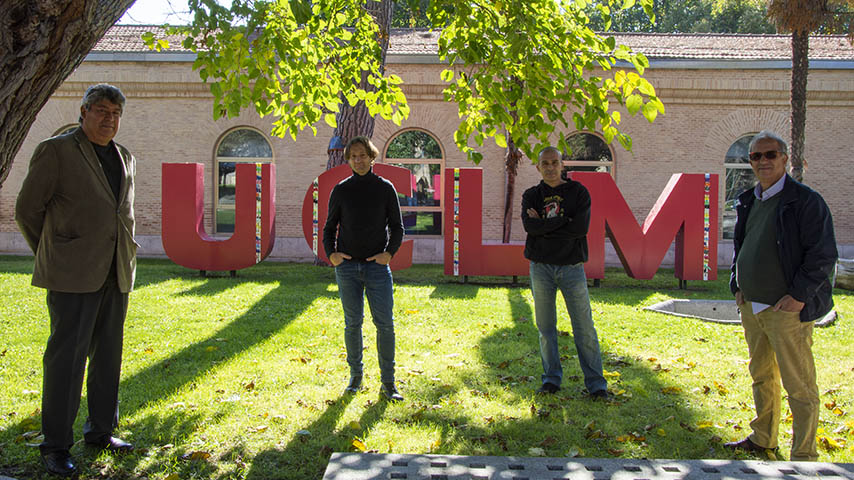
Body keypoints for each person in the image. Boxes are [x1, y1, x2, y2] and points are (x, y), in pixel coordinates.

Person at [15, 84, 137, 477]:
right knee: (66, 361)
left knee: (107, 358)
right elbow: (27, 210)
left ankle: (101, 431)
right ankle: (55, 445)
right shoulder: (56, 151)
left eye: (116, 113)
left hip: (115, 272)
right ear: (83, 111)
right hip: (72, 275)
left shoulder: (125, 157)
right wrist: (55, 252)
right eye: (101, 110)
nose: (109, 119)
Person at [725, 130, 837, 461]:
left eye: (770, 154)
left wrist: (798, 297)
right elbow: (742, 246)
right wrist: (737, 284)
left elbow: (822, 255)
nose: (762, 161)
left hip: (785, 309)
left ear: (785, 158)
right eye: (755, 156)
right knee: (761, 376)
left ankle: (804, 455)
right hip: (752, 306)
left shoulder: (805, 201)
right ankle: (763, 439)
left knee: (799, 385)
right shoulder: (749, 199)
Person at [521, 146, 609, 398]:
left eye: (554, 162)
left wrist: (544, 225)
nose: (550, 167)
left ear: (562, 165)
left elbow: (579, 228)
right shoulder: (531, 195)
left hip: (571, 267)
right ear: (538, 167)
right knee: (546, 328)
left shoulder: (578, 192)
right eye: (544, 163)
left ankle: (596, 384)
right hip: (541, 267)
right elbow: (530, 226)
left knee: (584, 327)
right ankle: (551, 379)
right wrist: (563, 221)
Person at [323, 136, 405, 402]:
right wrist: (331, 254)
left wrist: (389, 254)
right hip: (347, 269)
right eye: (353, 156)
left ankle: (389, 383)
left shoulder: (385, 188)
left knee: (385, 325)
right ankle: (355, 378)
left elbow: (398, 227)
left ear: (372, 157)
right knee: (352, 324)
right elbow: (328, 228)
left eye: (363, 155)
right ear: (348, 159)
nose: (358, 160)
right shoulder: (341, 189)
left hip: (377, 268)